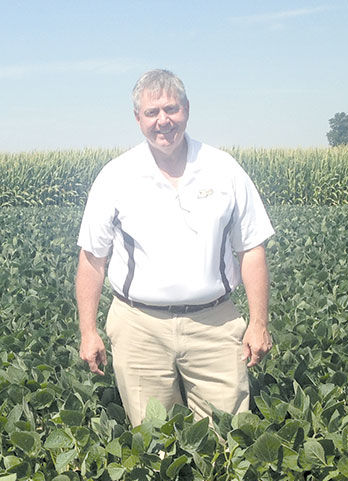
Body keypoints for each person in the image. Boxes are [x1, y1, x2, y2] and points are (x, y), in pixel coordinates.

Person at [75, 69, 274, 427]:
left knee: (226, 437)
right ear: (138, 118)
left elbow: (252, 249)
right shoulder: (116, 176)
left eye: (171, 109)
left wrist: (258, 323)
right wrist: (88, 331)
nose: (163, 121)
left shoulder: (223, 169)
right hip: (139, 327)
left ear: (187, 109)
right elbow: (92, 259)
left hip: (215, 323)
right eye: (152, 113)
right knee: (155, 443)